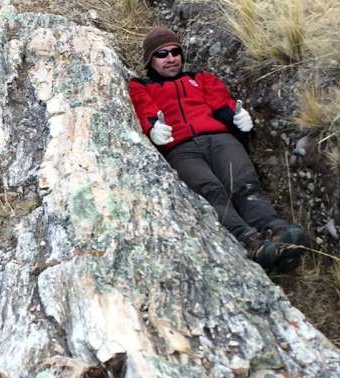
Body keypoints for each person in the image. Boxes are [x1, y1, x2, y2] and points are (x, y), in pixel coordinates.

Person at [128, 26, 308, 273]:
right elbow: (143, 108)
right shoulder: (142, 86)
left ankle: (276, 231)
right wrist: (152, 128)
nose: (171, 58)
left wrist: (236, 118)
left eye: (175, 51)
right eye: (162, 54)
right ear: (150, 60)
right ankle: (250, 243)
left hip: (220, 139)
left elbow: (220, 101)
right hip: (180, 149)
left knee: (244, 184)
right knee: (211, 192)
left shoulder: (200, 78)